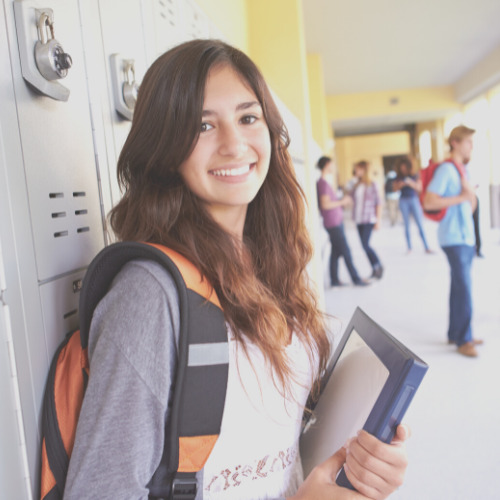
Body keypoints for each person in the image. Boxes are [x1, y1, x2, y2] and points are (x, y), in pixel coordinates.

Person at [64, 39, 409, 499]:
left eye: (248, 118)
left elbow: (277, 439)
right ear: (166, 149)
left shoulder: (273, 262)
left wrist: (363, 461)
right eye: (203, 125)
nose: (233, 144)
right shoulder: (150, 295)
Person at [423, 125, 482, 358]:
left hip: (465, 237)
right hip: (454, 238)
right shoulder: (447, 170)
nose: (471, 147)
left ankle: (456, 332)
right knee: (465, 288)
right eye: (469, 142)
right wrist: (463, 196)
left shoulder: (461, 170)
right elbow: (429, 201)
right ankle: (464, 340)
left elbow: (469, 206)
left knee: (459, 287)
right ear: (455, 143)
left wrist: (470, 197)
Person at [316, 156, 369, 287]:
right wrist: (342, 202)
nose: (334, 167)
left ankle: (334, 280)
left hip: (335, 221)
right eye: (332, 164)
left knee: (336, 252)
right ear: (327, 165)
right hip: (332, 222)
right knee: (346, 251)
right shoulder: (322, 183)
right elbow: (325, 204)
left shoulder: (325, 182)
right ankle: (356, 279)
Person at [350, 160, 384, 280]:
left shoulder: (372, 184)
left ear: (364, 170)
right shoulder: (356, 184)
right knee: (364, 245)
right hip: (359, 219)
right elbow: (349, 197)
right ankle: (375, 268)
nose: (356, 171)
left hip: (369, 218)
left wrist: (378, 220)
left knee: (365, 245)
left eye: (358, 169)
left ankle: (378, 265)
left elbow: (378, 203)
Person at [392, 156, 433, 254]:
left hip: (413, 199)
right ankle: (409, 247)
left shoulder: (415, 175)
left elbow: (419, 188)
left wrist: (411, 183)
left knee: (420, 224)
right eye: (401, 168)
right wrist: (400, 185)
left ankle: (426, 247)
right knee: (406, 225)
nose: (403, 169)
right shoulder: (398, 177)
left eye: (405, 167)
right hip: (403, 200)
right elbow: (394, 189)